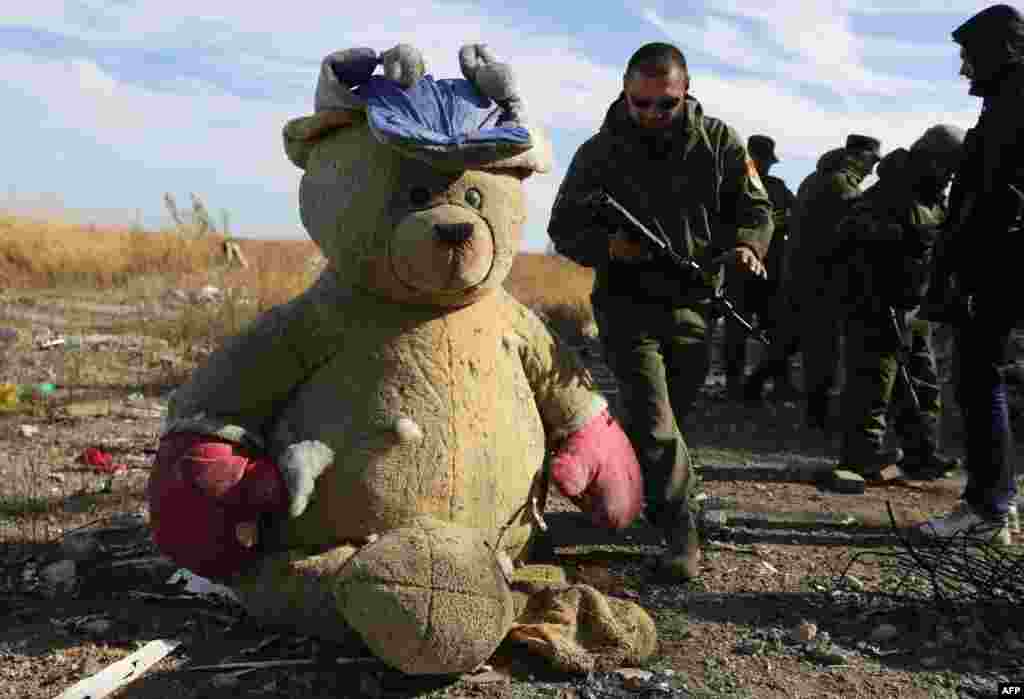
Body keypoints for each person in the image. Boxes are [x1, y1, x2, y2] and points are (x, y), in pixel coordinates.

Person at [547, 42, 773, 580]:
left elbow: (755, 207)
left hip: (696, 302)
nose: (650, 114)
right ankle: (680, 530)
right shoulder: (599, 152)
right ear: (626, 94)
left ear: (685, 93)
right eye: (639, 103)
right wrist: (610, 249)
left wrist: (747, 246)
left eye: (664, 104)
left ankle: (627, 490)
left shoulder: (718, 142)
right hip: (627, 306)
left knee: (669, 417)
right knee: (654, 418)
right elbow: (563, 228)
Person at [915, 4, 1024, 542]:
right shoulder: (1008, 101)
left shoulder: (1014, 103)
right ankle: (995, 500)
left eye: (968, 56)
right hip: (995, 271)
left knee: (980, 384)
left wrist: (970, 273)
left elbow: (997, 201)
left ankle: (987, 509)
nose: (963, 69)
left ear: (1001, 51)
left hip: (995, 274)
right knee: (984, 383)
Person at [831, 126, 965, 481]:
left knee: (921, 381)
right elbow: (850, 235)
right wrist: (894, 243)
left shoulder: (933, 195)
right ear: (929, 158)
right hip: (875, 303)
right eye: (947, 167)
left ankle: (921, 454)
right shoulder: (891, 190)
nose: (950, 176)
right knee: (873, 383)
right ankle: (860, 457)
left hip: (914, 305)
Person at [779, 135, 881, 431]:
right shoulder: (840, 184)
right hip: (823, 279)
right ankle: (817, 414)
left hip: (803, 274)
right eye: (871, 162)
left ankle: (757, 387)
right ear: (857, 157)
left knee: (799, 341)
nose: (871, 170)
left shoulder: (815, 179)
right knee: (822, 348)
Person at [723, 135, 798, 401]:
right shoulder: (729, 185)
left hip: (771, 272)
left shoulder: (778, 187)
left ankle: (779, 384)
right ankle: (734, 386)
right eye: (762, 161)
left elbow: (798, 215)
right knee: (735, 333)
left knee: (777, 331)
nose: (765, 167)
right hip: (739, 270)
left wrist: (784, 221)